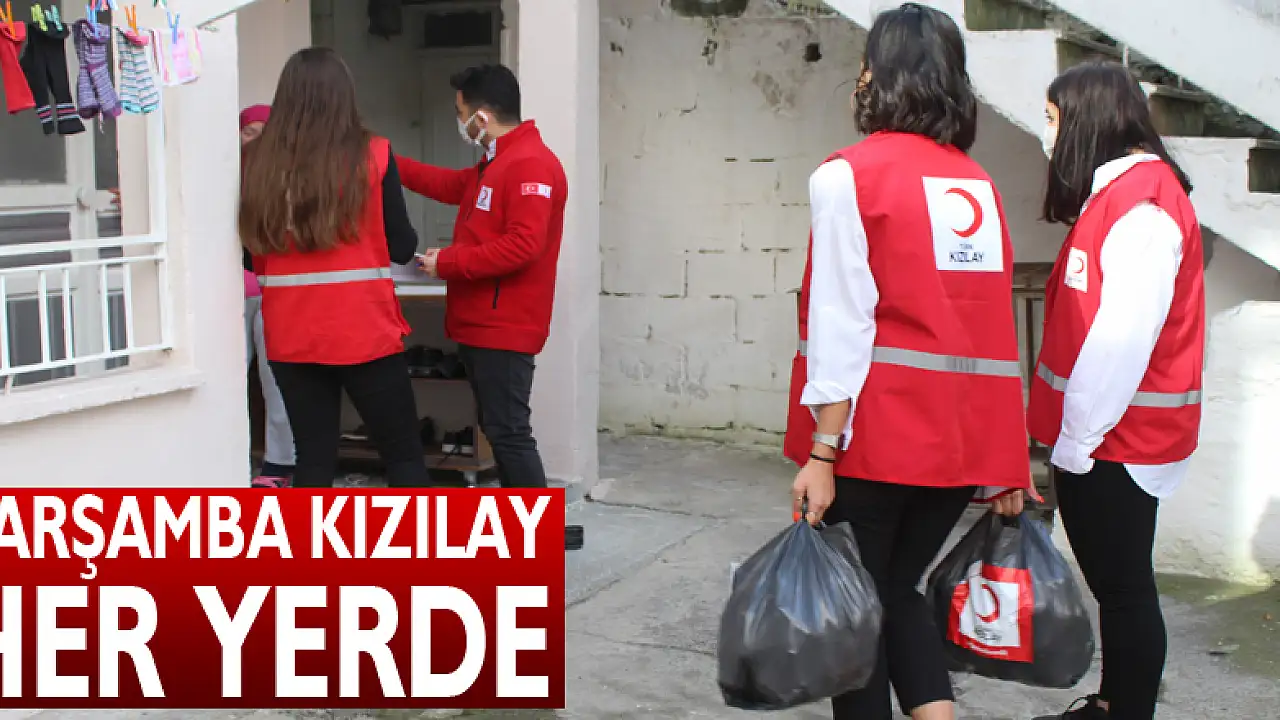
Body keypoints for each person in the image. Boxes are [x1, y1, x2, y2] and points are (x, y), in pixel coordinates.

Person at [782, 5, 1033, 719]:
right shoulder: (974, 185)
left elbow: (841, 322)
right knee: (896, 592)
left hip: (876, 440)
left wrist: (822, 452)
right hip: (958, 447)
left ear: (877, 75)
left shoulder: (847, 176)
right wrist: (1006, 458)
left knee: (856, 615)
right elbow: (992, 329)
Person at [1027, 61, 1204, 720]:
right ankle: (1111, 703)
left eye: (1053, 118)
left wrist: (1075, 445)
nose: (1048, 133)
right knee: (1117, 589)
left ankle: (1125, 710)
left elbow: (1119, 343)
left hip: (1119, 443)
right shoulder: (1118, 197)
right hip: (1107, 439)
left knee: (1126, 591)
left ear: (1087, 120)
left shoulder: (1144, 210)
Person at [239, 47, 430, 488]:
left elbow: (250, 252)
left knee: (313, 458)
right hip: (363, 330)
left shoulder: (256, 160)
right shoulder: (373, 154)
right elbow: (402, 246)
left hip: (289, 333)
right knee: (403, 456)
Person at [397, 63, 567, 489]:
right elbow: (448, 185)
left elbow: (523, 245)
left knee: (509, 434)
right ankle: (519, 524)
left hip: (504, 326)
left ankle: (534, 528)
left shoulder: (530, 165)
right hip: (482, 324)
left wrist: (448, 263)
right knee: (499, 430)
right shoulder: (497, 163)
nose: (460, 123)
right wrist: (387, 164)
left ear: (482, 116)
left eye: (461, 113)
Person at [239, 104, 297, 489]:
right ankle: (230, 455)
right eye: (250, 132)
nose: (258, 140)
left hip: (275, 292)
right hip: (231, 294)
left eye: (266, 132)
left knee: (276, 380)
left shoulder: (288, 176)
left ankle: (280, 463)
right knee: (229, 380)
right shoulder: (225, 175)